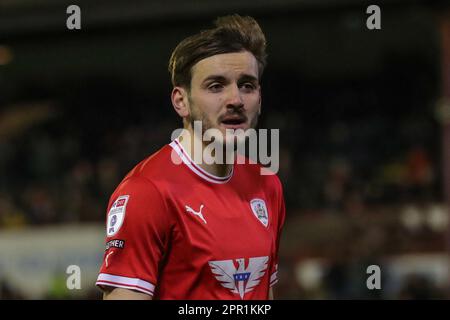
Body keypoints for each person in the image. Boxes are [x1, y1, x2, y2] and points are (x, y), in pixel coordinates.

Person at [96, 14, 286, 300]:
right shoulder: (147, 192)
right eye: (216, 86)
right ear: (181, 101)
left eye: (247, 85)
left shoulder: (267, 184)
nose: (236, 99)